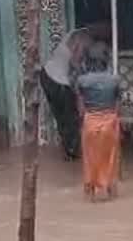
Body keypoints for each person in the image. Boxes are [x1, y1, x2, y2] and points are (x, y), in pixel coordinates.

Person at [41, 20, 111, 160]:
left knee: (62, 117)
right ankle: (73, 151)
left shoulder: (76, 33)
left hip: (47, 74)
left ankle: (69, 151)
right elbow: (74, 61)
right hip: (58, 79)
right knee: (70, 116)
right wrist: (83, 78)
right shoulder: (85, 38)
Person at [75, 42, 121, 201]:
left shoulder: (82, 81)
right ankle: (110, 189)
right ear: (106, 59)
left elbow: (80, 107)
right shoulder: (115, 80)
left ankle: (91, 190)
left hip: (90, 120)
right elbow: (117, 105)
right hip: (110, 120)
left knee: (90, 157)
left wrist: (83, 121)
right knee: (111, 157)